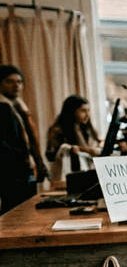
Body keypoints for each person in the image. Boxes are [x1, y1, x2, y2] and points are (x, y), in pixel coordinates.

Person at [0, 65, 48, 215]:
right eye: (10, 81)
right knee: (15, 217)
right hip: (11, 174)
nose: (16, 86)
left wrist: (38, 163)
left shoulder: (18, 106)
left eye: (19, 82)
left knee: (26, 215)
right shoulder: (2, 107)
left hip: (24, 171)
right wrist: (23, 154)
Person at [45, 95, 101, 180]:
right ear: (72, 111)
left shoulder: (84, 128)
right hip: (65, 177)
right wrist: (72, 149)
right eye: (83, 111)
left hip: (83, 175)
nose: (87, 115)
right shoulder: (57, 130)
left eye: (88, 110)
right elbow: (51, 155)